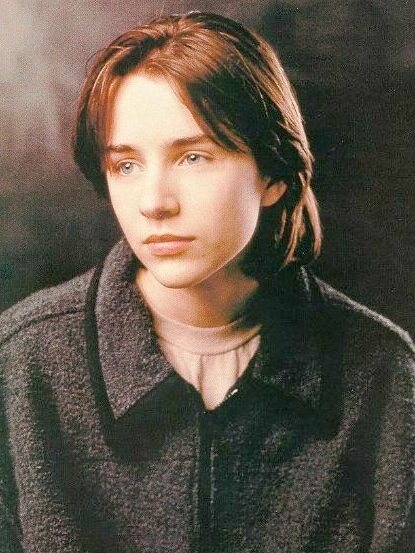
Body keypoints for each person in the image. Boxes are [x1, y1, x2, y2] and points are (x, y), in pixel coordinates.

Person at [0, 11, 414, 553]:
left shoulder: (383, 374)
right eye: (126, 165)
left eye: (193, 157)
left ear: (273, 174)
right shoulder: (22, 364)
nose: (155, 203)